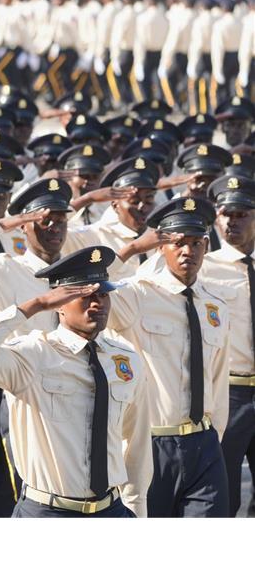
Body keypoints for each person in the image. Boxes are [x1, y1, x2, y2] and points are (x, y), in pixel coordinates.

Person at [0, 246, 153, 517]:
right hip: (47, 511)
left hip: (111, 509)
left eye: (103, 294)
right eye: (85, 296)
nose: (97, 303)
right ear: (59, 303)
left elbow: (136, 443)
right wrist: (35, 305)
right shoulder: (33, 355)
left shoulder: (125, 359)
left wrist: (137, 509)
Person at [105, 196, 232, 517]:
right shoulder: (136, 295)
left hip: (204, 444)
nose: (188, 251)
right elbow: (86, 287)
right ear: (161, 247)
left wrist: (214, 436)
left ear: (206, 245)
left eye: (195, 243)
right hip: (152, 444)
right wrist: (132, 249)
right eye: (178, 243)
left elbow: (218, 379)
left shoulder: (215, 305)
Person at [201, 175, 255, 517]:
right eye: (225, 214)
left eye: (241, 214)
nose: (231, 222)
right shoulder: (203, 268)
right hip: (229, 393)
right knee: (224, 494)